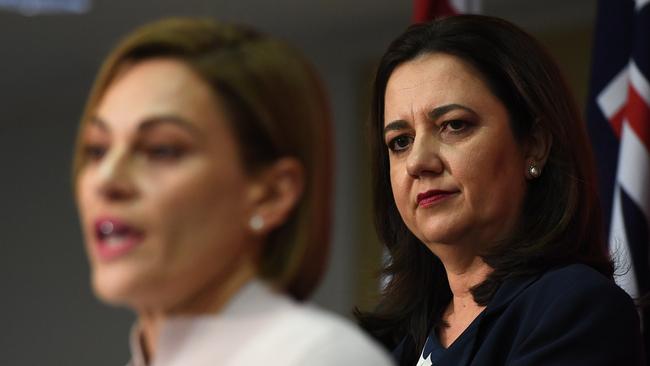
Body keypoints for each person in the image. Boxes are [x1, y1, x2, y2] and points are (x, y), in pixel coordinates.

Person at [73, 17, 394, 366]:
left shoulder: (321, 357)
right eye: (97, 149)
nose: (106, 180)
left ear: (272, 194)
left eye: (161, 149)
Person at [357, 14, 646, 366]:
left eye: (454, 125)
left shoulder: (575, 308)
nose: (418, 162)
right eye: (400, 141)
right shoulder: (385, 341)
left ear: (534, 144)